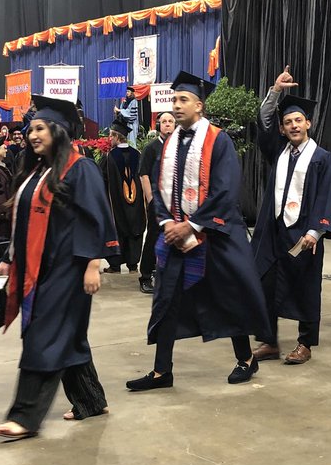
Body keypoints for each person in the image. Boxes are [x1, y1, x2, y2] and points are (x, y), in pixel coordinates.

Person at [127, 72, 269, 391]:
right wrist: (167, 224)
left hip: (213, 236)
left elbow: (225, 190)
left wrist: (191, 225)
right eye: (174, 99)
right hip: (174, 236)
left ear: (199, 106)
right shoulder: (168, 145)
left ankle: (246, 358)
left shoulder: (218, 141)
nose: (176, 105)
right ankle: (162, 371)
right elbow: (160, 192)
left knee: (227, 297)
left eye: (183, 100)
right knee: (166, 300)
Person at [0, 95, 117, 439]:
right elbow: (24, 222)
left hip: (69, 268)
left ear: (59, 131)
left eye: (41, 128)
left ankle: (25, 416)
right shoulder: (36, 172)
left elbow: (96, 217)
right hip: (37, 266)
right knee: (67, 336)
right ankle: (90, 401)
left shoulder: (80, 168)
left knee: (43, 337)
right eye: (31, 129)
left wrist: (93, 264)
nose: (33, 135)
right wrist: (7, 260)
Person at [249, 68, 331, 365]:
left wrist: (316, 231)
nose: (293, 126)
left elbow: (328, 196)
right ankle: (270, 341)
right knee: (265, 283)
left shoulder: (322, 158)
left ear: (308, 123)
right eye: (288, 122)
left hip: (303, 234)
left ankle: (305, 343)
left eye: (298, 120)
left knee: (305, 287)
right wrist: (275, 91)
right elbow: (264, 122)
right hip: (273, 231)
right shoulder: (278, 150)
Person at [101, 116, 147, 275]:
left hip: (117, 204)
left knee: (118, 228)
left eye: (110, 135)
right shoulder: (138, 154)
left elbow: (102, 179)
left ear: (115, 136)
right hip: (136, 204)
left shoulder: (109, 157)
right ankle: (133, 265)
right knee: (135, 228)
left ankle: (115, 265)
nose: (109, 139)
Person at [137, 110, 176, 294]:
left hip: (175, 202)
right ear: (158, 125)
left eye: (171, 121)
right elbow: (143, 174)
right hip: (157, 201)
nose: (168, 124)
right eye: (164, 121)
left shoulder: (178, 146)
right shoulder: (151, 148)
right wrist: (151, 200)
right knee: (153, 237)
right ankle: (145, 276)